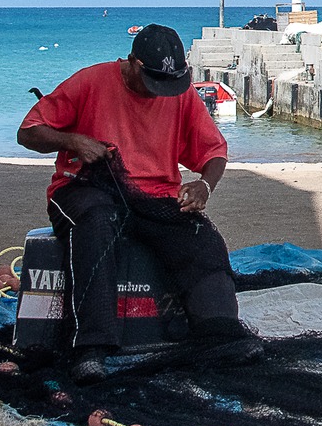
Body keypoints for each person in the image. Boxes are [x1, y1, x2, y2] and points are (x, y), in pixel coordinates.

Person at [16, 25, 253, 382]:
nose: (161, 92)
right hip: (82, 188)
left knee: (201, 239)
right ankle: (90, 347)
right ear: (133, 63)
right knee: (97, 221)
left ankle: (220, 333)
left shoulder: (180, 94)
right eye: (154, 82)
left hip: (154, 196)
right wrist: (75, 142)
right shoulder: (90, 81)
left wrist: (205, 185)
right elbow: (29, 131)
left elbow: (214, 151)